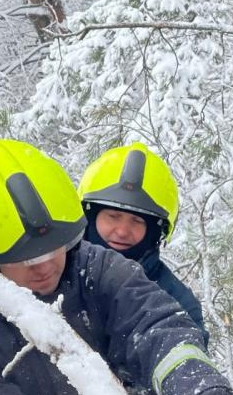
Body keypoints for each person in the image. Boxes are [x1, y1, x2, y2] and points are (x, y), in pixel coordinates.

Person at [0, 137, 233, 395]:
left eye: (56, 249)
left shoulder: (97, 269)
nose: (45, 267)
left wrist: (204, 393)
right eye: (25, 260)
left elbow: (158, 328)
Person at [77, 143, 209, 345]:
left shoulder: (176, 303)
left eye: (137, 221)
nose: (122, 230)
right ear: (89, 215)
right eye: (113, 216)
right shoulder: (50, 274)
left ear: (155, 232)